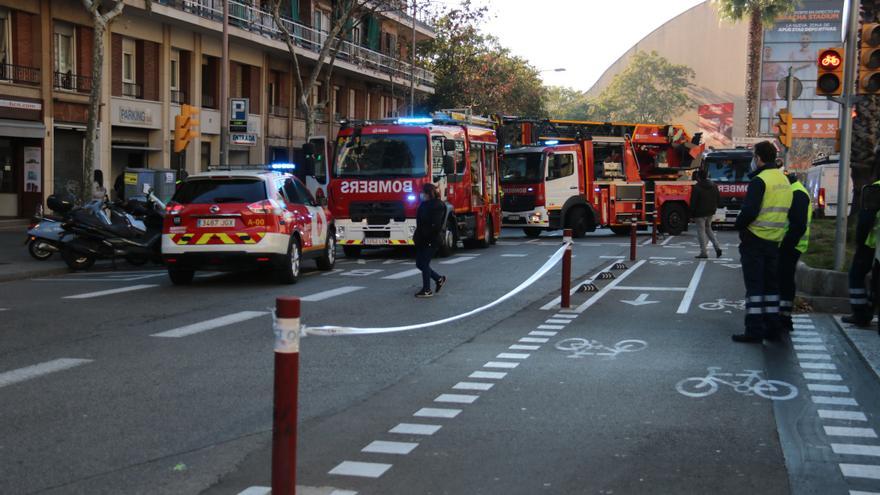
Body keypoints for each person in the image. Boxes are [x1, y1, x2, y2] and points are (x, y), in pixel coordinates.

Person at [731, 141, 793, 343]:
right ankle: (772, 327)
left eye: (753, 157)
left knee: (755, 287)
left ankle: (754, 329)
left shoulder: (760, 180)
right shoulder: (783, 180)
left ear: (758, 158)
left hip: (755, 239)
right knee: (771, 287)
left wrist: (738, 225)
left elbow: (749, 211)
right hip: (774, 240)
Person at [843, 172, 880, 327]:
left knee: (856, 275)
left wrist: (859, 241)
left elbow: (865, 221)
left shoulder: (875, 189)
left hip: (872, 244)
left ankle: (860, 313)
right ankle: (869, 310)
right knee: (876, 280)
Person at [778, 173, 812, 332]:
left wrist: (785, 246)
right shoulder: (796, 190)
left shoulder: (796, 193)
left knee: (785, 281)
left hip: (791, 246)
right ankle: (783, 315)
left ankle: (784, 317)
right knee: (784, 280)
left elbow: (798, 225)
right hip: (791, 245)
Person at [413, 183, 447, 298]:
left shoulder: (437, 206)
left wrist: (425, 235)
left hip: (431, 239)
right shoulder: (425, 204)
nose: (421, 194)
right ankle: (438, 279)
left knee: (424, 263)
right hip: (422, 239)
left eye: (423, 192)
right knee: (420, 263)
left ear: (428, 193)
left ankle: (427, 290)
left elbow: (435, 225)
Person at [689, 169, 723, 258]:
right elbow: (718, 199)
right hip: (710, 212)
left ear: (698, 177)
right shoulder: (714, 185)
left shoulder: (697, 187)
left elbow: (693, 202)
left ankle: (703, 252)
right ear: (707, 175)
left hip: (699, 213)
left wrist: (691, 214)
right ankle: (717, 247)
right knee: (708, 229)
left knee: (701, 231)